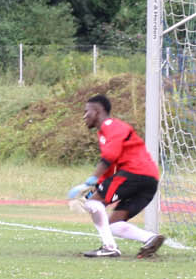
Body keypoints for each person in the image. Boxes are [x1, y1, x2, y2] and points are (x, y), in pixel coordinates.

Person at [69, 93, 165, 259]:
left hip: (133, 173)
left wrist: (89, 183)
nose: (84, 116)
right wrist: (93, 189)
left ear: (97, 111)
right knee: (113, 224)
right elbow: (110, 168)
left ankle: (109, 247)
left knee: (93, 203)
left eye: (86, 112)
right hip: (149, 180)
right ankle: (150, 238)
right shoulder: (105, 132)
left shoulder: (112, 126)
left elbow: (110, 156)